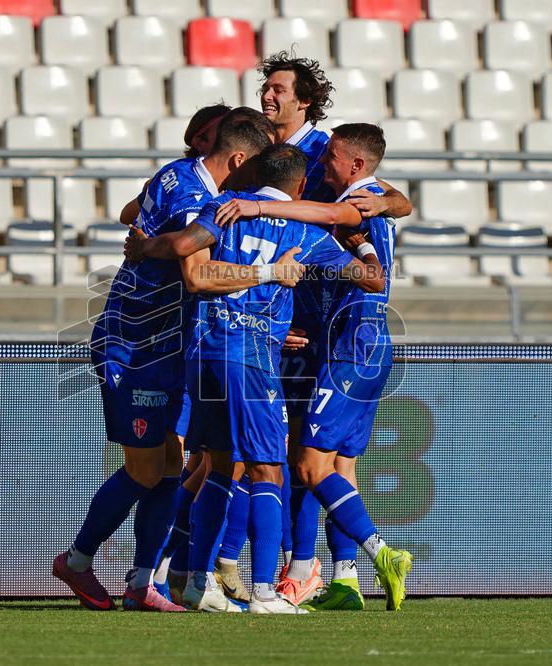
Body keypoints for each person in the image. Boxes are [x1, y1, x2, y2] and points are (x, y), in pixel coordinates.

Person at [128, 143, 384, 614]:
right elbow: (373, 279)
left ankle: (195, 580)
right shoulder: (306, 230)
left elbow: (196, 270)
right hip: (250, 359)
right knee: (268, 467)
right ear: (302, 186)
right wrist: (359, 242)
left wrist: (149, 246)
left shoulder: (220, 211)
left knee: (215, 465)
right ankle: (265, 592)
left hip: (202, 353)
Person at [52, 113, 291, 612]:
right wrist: (270, 273)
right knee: (144, 469)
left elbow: (135, 215)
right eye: (260, 164)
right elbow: (197, 273)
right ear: (240, 160)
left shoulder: (177, 175)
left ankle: (143, 584)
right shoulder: (194, 196)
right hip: (135, 345)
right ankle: (76, 561)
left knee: (168, 467)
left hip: (170, 346)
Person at [214, 124, 412, 612]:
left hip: (354, 346)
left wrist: (259, 206)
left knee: (305, 464)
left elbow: (332, 215)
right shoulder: (365, 197)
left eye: (333, 160)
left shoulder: (361, 196)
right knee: (330, 462)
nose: (325, 166)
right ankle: (329, 577)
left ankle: (378, 554)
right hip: (345, 345)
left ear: (357, 166)